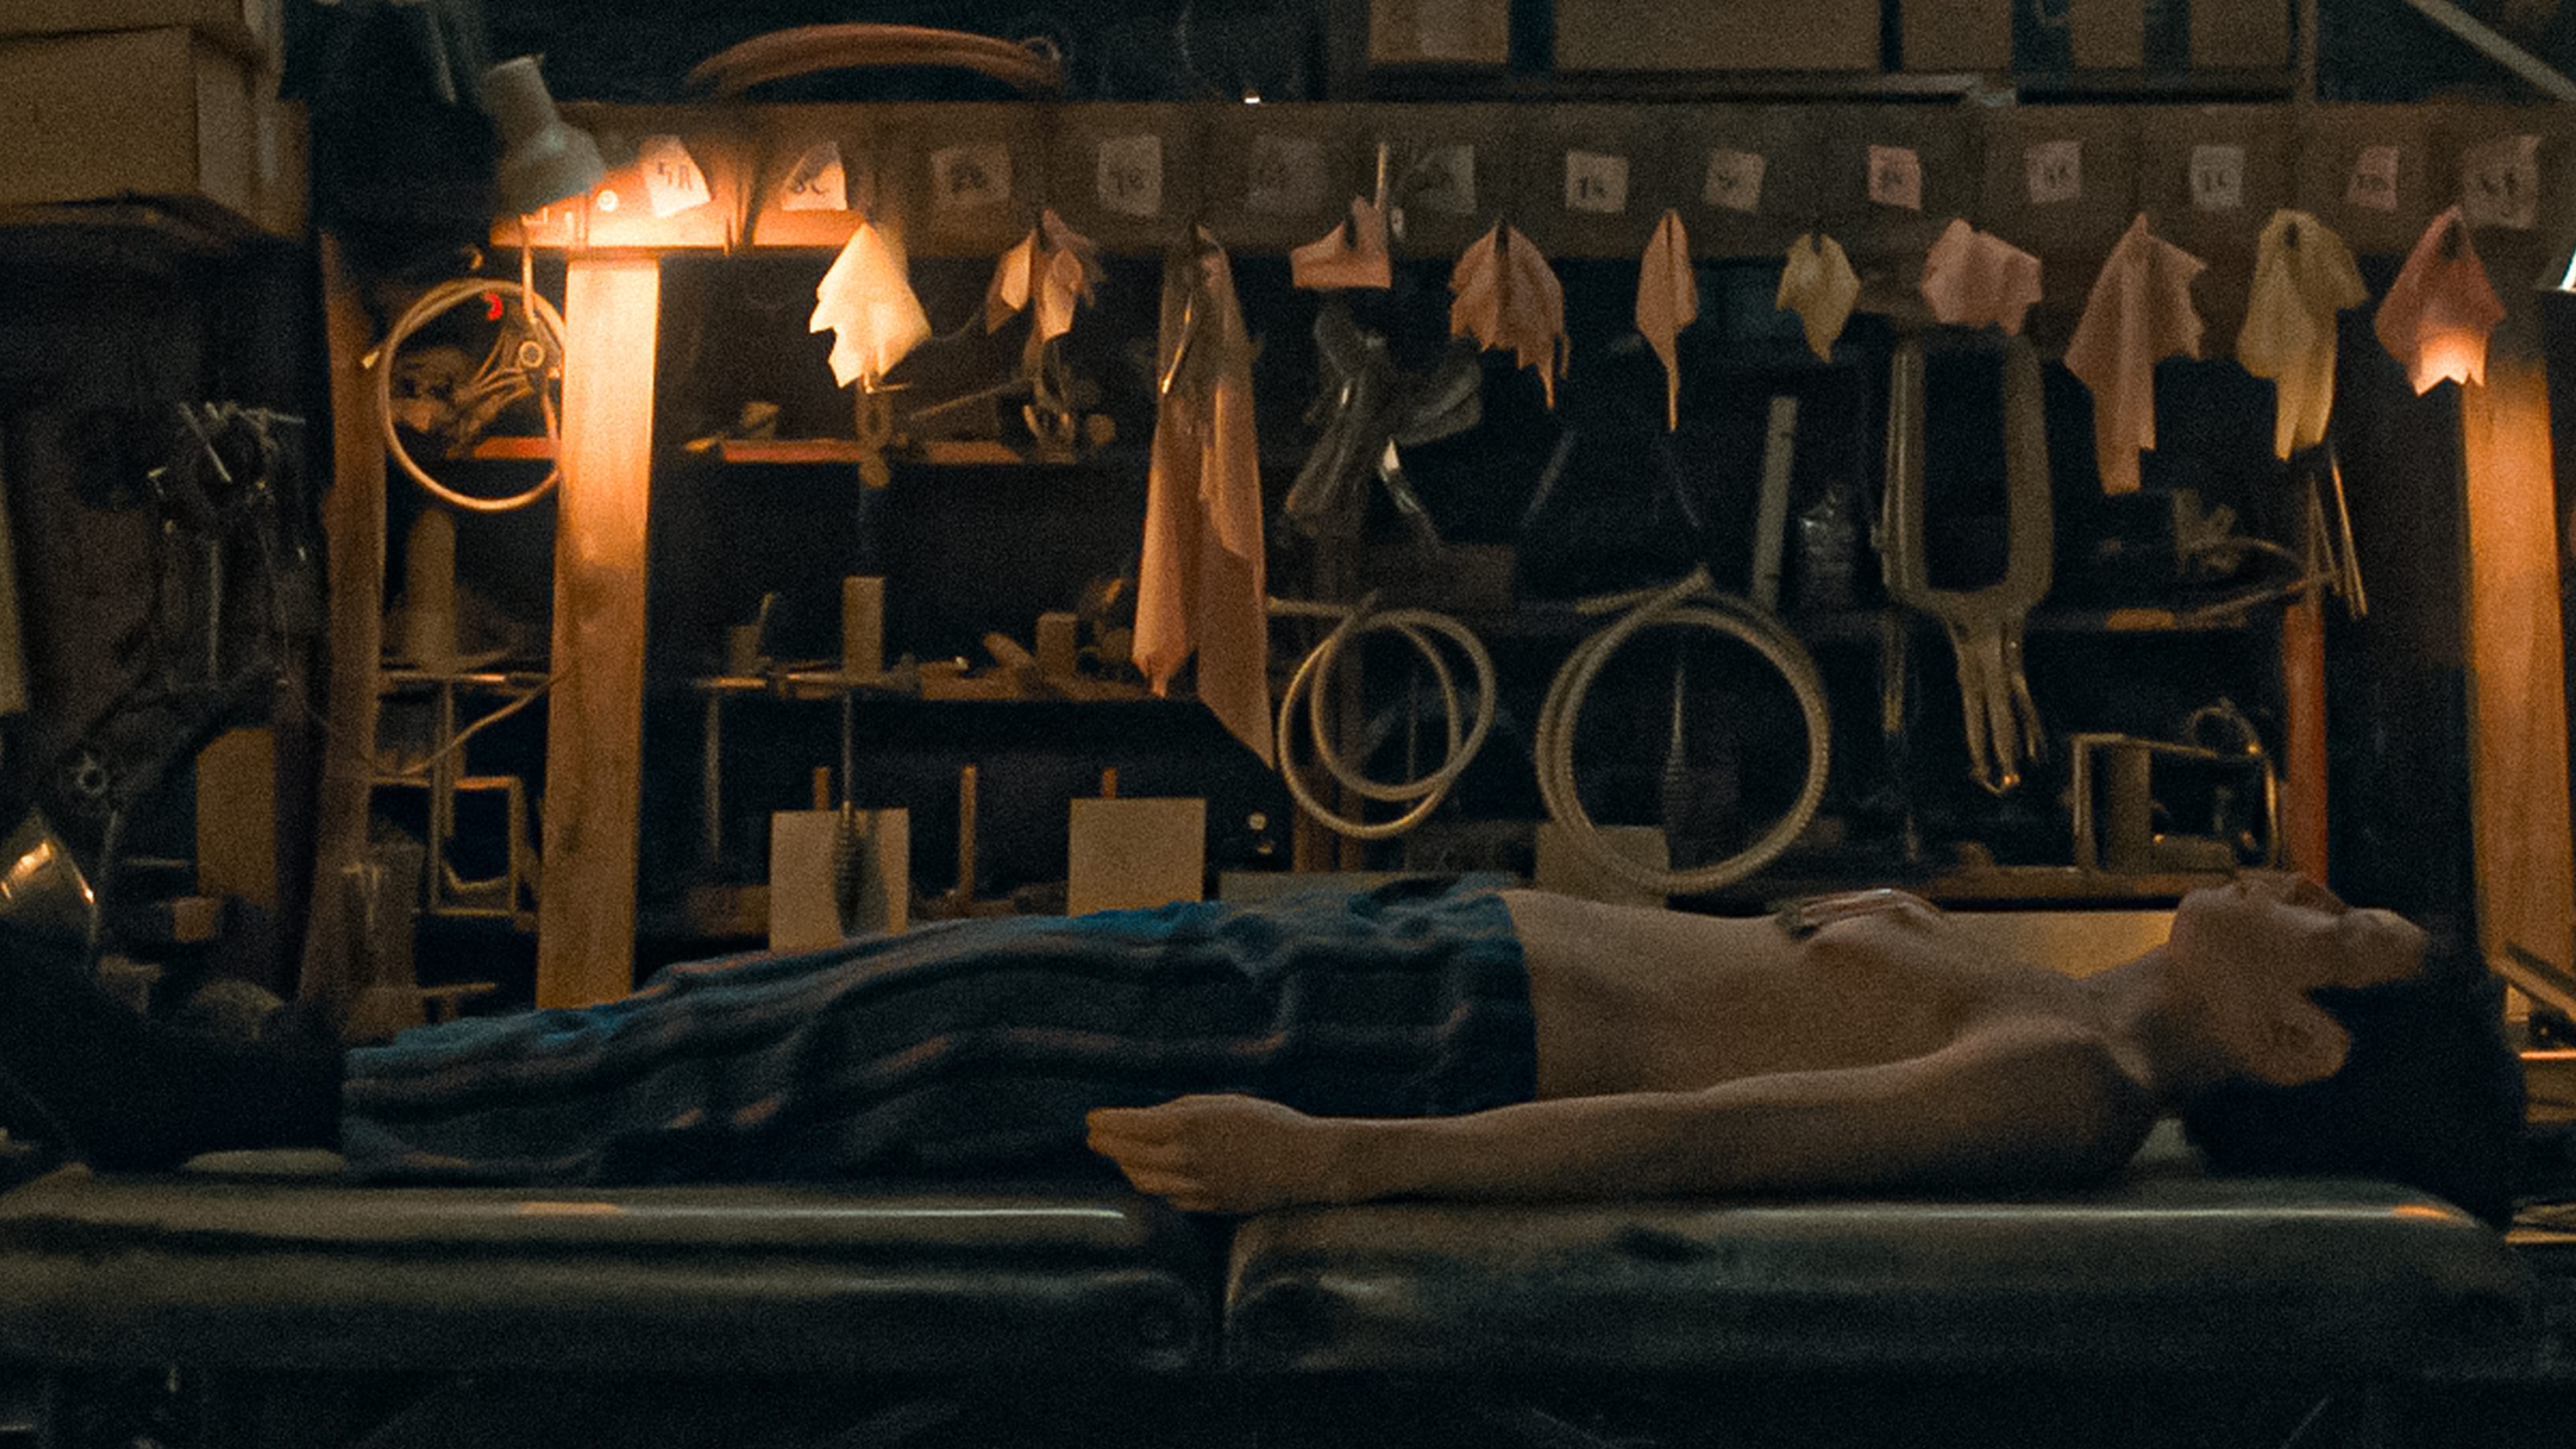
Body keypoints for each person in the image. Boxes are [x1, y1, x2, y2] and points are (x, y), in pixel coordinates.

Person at [0, 873, 2524, 1226]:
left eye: (2344, 931)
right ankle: (300, 1073)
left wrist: (1337, 1158)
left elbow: (1710, 1132)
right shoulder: (2066, 992)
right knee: (825, 1005)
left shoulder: (2073, 1089)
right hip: (1371, 950)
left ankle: (244, 1103)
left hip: (1398, 1029)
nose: (2304, 888)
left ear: (2300, 1044)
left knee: (839, 1056)